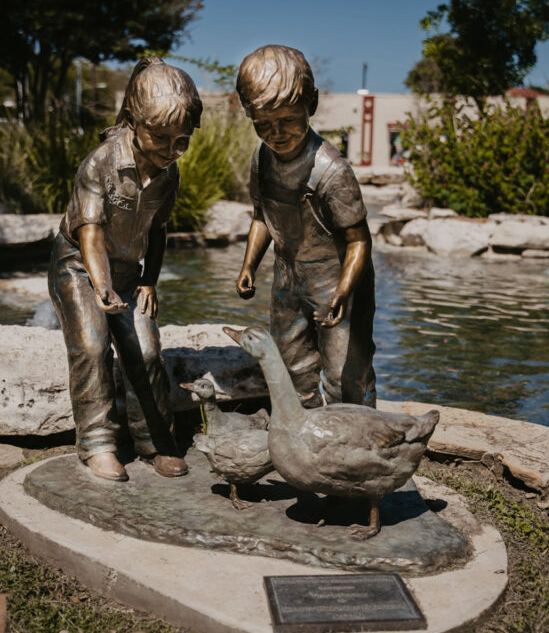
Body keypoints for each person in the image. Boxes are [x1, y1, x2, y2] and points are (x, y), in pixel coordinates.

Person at [49, 57, 202, 482]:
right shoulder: (101, 163)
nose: (169, 151)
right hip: (79, 266)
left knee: (148, 351)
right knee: (93, 346)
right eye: (160, 138)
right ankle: (98, 444)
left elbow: (157, 232)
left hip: (129, 271)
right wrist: (101, 287)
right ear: (134, 122)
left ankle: (156, 442)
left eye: (181, 142)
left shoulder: (168, 175)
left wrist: (150, 279)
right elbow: (91, 234)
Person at [234, 45, 376, 409]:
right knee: (291, 366)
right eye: (263, 124)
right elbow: (261, 217)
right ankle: (305, 442)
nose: (276, 133)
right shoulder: (262, 160)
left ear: (310, 104)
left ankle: (360, 444)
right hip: (288, 277)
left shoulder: (331, 171)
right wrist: (249, 264)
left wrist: (343, 292)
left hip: (337, 279)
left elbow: (359, 242)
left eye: (287, 120)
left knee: (346, 373)